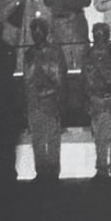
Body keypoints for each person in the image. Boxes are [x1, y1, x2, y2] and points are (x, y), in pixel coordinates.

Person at [23, 18, 68, 180]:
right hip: (34, 103)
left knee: (53, 139)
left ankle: (53, 172)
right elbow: (26, 81)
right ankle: (41, 172)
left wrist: (60, 103)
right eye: (33, 30)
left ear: (46, 32)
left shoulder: (55, 52)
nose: (36, 34)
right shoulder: (28, 54)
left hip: (51, 101)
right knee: (38, 140)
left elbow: (61, 79)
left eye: (39, 30)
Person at [81, 25, 111, 179]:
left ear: (108, 34)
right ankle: (101, 169)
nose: (99, 36)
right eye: (96, 34)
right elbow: (84, 81)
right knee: (99, 137)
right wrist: (86, 101)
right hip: (96, 101)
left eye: (102, 33)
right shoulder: (87, 55)